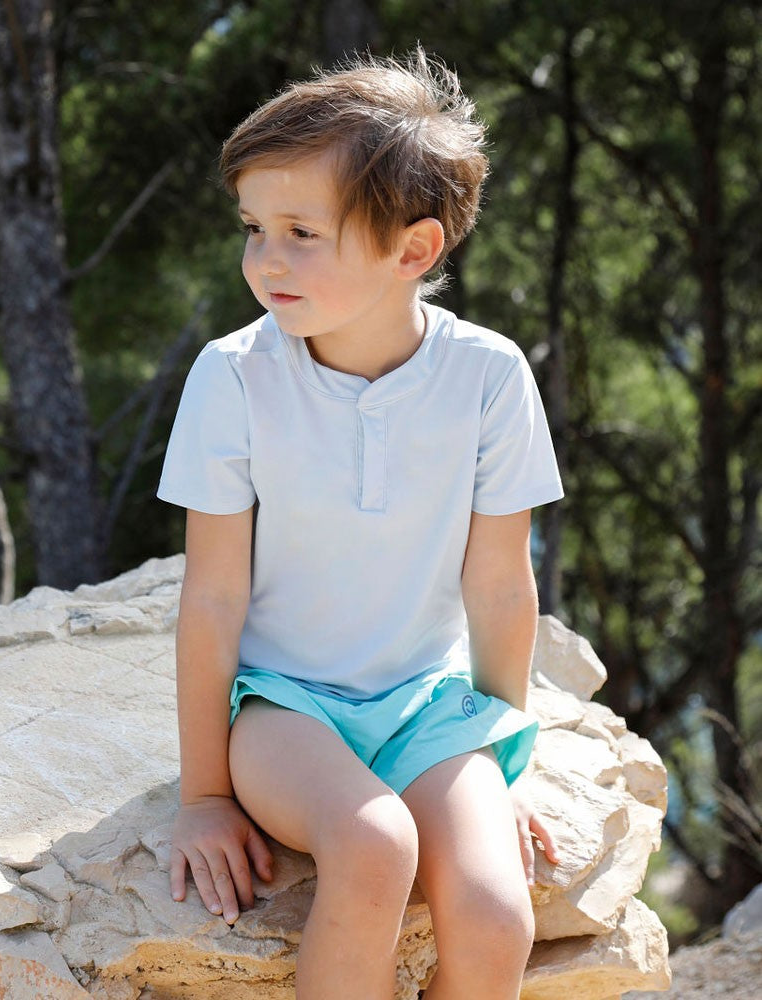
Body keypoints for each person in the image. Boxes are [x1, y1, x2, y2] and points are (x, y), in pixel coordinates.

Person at [157, 48, 563, 1000]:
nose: (265, 259)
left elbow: (502, 585)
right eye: (254, 226)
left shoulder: (489, 376)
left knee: (496, 904)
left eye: (302, 232)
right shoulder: (234, 376)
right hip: (282, 706)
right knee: (375, 846)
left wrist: (502, 760)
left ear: (413, 250)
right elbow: (213, 599)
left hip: (425, 705)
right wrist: (203, 797)